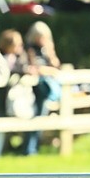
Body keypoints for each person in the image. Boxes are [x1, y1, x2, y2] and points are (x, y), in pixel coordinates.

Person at [23, 21, 61, 156]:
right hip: (36, 89)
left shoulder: (46, 49)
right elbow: (37, 68)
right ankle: (29, 149)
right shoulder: (30, 48)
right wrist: (49, 70)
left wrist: (51, 53)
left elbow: (56, 65)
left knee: (41, 117)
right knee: (35, 118)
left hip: (47, 89)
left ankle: (35, 147)